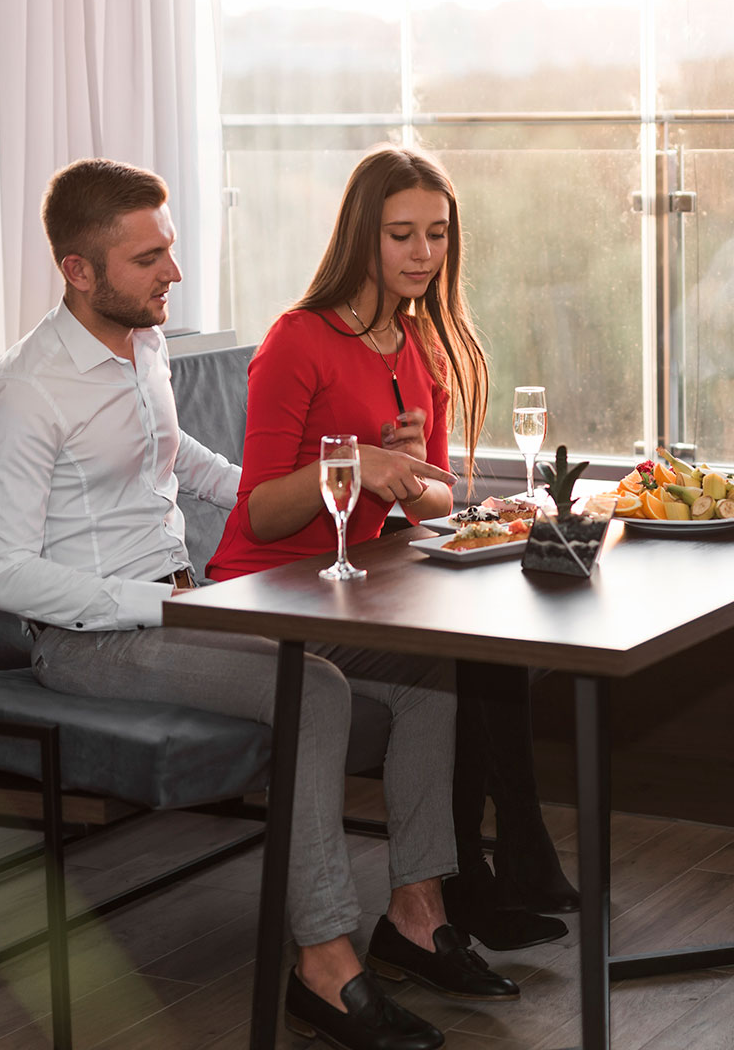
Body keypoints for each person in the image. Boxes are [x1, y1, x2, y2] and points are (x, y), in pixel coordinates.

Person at [0, 158, 513, 1050]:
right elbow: (6, 575)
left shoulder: (139, 345)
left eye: (169, 249)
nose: (172, 274)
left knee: (429, 672)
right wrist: (161, 607)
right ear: (78, 270)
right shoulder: (24, 393)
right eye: (148, 259)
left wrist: (303, 484)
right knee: (318, 689)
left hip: (187, 604)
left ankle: (415, 913)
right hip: (89, 641)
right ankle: (326, 967)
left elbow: (180, 460)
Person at [207, 144, 577, 957]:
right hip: (262, 592)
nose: (422, 255)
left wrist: (408, 473)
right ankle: (485, 876)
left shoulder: (422, 349)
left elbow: (441, 498)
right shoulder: (296, 341)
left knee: (471, 664)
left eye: (437, 236)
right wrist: (356, 466)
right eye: (402, 235)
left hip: (353, 591)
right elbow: (262, 510)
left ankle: (435, 906)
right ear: (361, 238)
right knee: (462, 669)